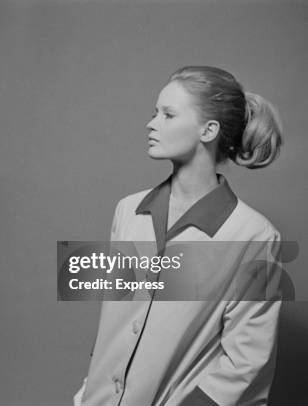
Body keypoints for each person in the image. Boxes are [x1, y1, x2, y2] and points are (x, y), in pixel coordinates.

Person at [74, 66, 283, 406]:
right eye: (154, 112)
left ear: (208, 130)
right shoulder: (128, 211)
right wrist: (86, 394)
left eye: (168, 114)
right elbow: (113, 326)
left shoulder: (255, 237)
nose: (151, 123)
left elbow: (246, 366)